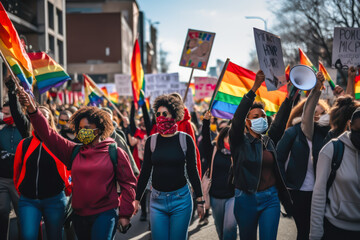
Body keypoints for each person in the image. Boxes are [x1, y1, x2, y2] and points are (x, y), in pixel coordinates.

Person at [18, 88, 136, 240]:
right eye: (80, 129)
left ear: (99, 130)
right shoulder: (73, 151)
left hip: (105, 213)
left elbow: (128, 184)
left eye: (86, 128)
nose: (82, 132)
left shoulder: (115, 152)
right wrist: (33, 109)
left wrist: (125, 214)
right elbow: (48, 134)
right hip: (79, 216)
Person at [229, 70, 293, 240]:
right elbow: (237, 119)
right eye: (256, 116)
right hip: (246, 199)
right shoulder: (238, 141)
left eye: (263, 116)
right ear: (247, 122)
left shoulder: (268, 140)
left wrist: (292, 93)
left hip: (270, 199)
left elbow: (280, 121)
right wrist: (255, 87)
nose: (261, 119)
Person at [134, 94, 204, 240]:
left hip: (181, 200)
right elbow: (145, 171)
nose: (160, 117)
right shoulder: (151, 141)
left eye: (164, 114)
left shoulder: (185, 139)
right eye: (158, 114)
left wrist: (200, 199)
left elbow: (193, 171)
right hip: (157, 201)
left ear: (174, 114)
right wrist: (136, 199)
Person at [276, 72, 330, 240]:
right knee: (304, 231)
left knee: (319, 231)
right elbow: (278, 159)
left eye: (321, 114)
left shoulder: (327, 135)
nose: (317, 117)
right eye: (314, 113)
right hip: (297, 192)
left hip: (320, 192)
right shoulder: (293, 132)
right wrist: (284, 187)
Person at [13, 106, 71, 240]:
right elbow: (17, 171)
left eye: (44, 116)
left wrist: (68, 189)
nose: (40, 119)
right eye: (37, 116)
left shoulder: (59, 143)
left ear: (49, 120)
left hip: (55, 199)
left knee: (55, 236)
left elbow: (68, 170)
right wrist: (21, 190)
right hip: (29, 200)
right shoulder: (24, 144)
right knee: (28, 236)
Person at [310, 107, 360, 240]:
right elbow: (319, 194)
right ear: (350, 125)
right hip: (335, 229)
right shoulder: (333, 149)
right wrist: (315, 234)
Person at [202, 111, 237, 240]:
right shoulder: (214, 149)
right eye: (228, 136)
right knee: (220, 228)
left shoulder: (237, 151)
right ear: (222, 137)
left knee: (230, 226)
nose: (230, 139)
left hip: (232, 196)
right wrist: (206, 122)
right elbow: (205, 139)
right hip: (216, 196)